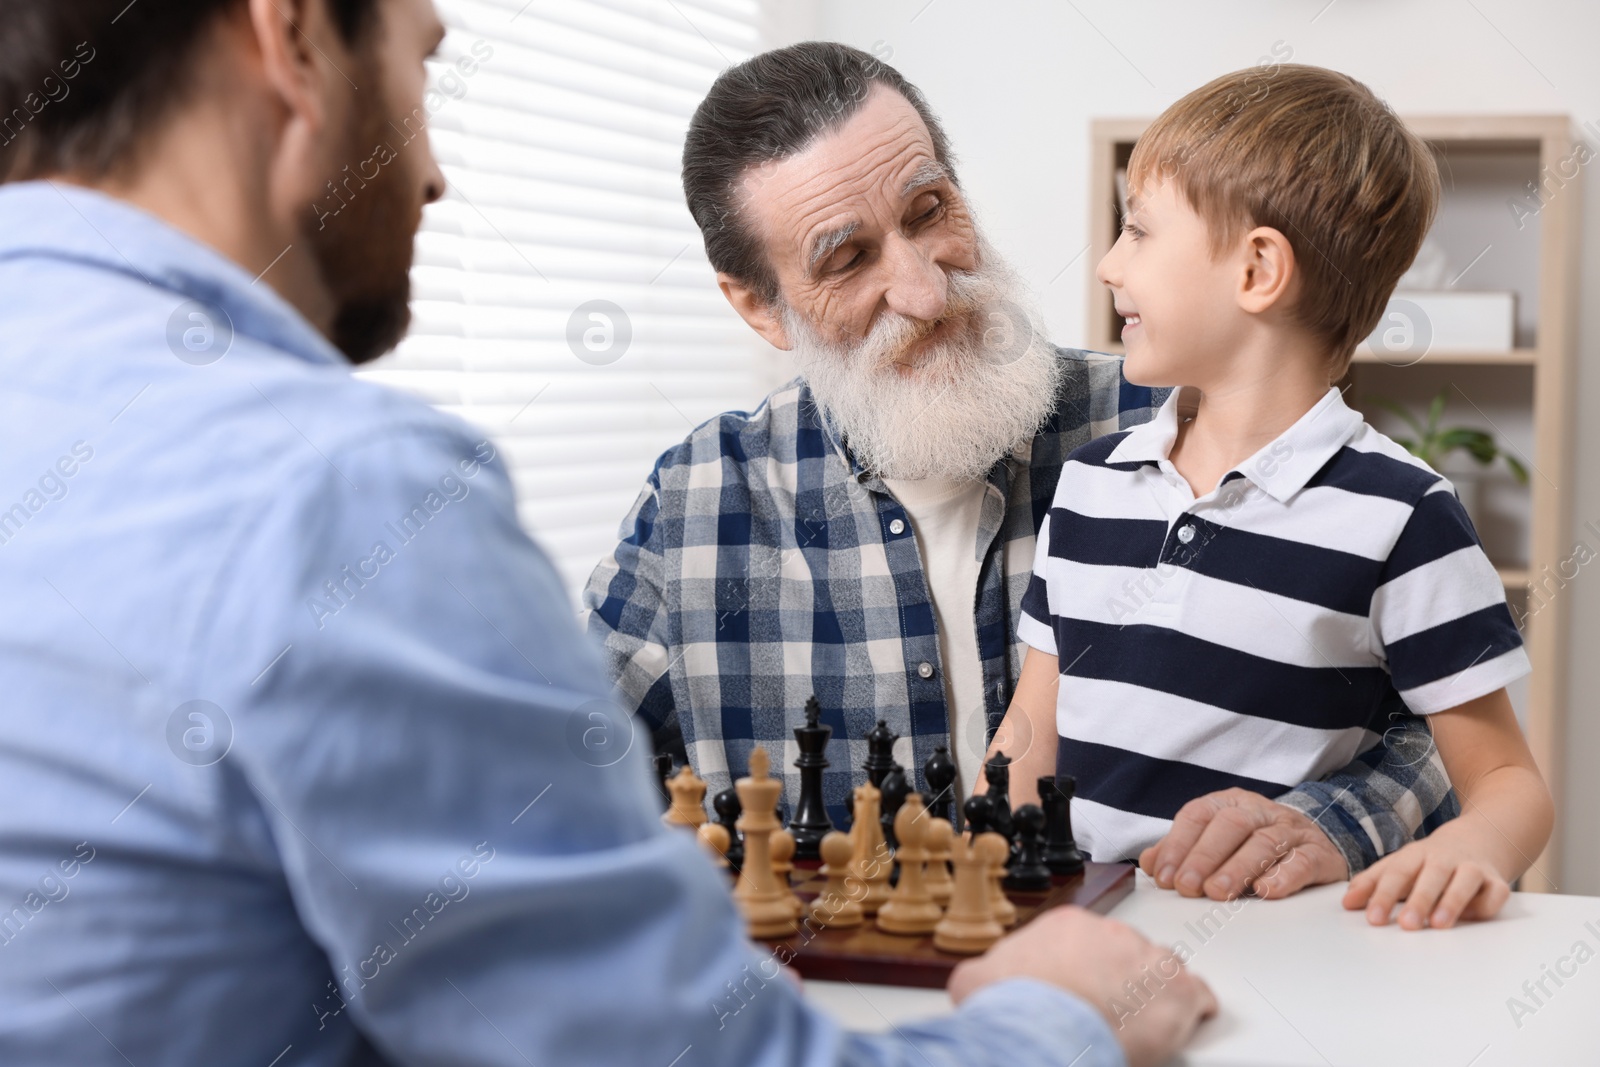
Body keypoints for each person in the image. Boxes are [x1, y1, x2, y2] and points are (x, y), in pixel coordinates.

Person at [0, 1, 1215, 1064]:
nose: (429, 174)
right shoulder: (357, 495)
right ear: (292, 34)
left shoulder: (1187, 431)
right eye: (421, 67)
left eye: (931, 212)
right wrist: (1067, 1024)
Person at [583, 41, 1456, 904]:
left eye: (929, 209)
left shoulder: (1180, 425)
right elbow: (546, 780)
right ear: (759, 306)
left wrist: (1331, 819)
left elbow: (1441, 733)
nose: (926, 292)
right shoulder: (698, 500)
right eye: (847, 260)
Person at [986, 65, 1554, 930]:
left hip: (1279, 950)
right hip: (1078, 930)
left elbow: (1509, 783)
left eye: (1137, 231)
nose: (1106, 264)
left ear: (1258, 269)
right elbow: (1033, 720)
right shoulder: (1092, 484)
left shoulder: (1404, 515)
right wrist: (981, 865)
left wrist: (1474, 846)